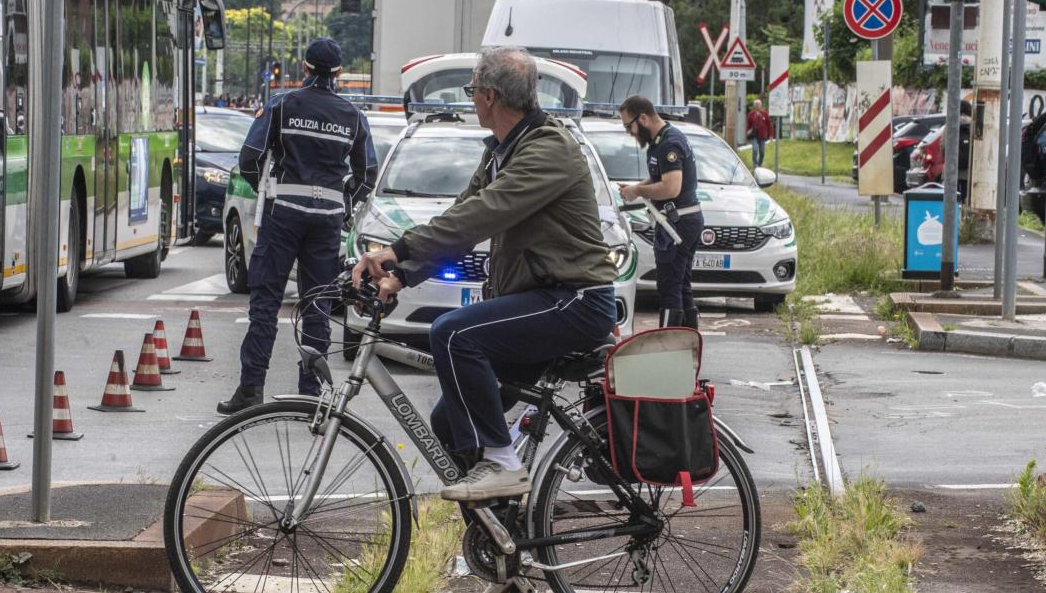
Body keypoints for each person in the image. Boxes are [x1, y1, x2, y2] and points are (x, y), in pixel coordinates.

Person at [352, 46, 618, 505]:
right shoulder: (503, 150)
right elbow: (460, 217)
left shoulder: (548, 149)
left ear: (490, 95)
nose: (471, 97)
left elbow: (483, 214)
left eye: (472, 90)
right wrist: (403, 275)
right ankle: (502, 538)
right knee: (447, 424)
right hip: (545, 300)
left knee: (454, 335)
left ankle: (502, 464)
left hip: (575, 300)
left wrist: (396, 251)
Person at [217, 37, 375, 413]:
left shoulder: (283, 104)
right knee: (317, 305)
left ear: (304, 68)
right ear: (338, 73)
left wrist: (265, 189)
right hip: (327, 220)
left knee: (266, 302)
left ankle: (251, 389)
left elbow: (250, 156)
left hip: (283, 212)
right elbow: (366, 172)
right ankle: (311, 394)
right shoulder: (352, 116)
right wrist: (345, 201)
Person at [617, 95, 704, 329]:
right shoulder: (661, 141)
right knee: (682, 284)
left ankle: (669, 343)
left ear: (643, 118)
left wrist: (639, 191)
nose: (629, 132)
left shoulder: (669, 144)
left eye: (629, 126)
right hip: (683, 221)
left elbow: (671, 187)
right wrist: (635, 188)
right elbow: (659, 178)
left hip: (678, 223)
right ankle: (688, 342)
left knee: (669, 287)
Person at [746, 99, 774, 168]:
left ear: (761, 105)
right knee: (755, 149)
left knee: (762, 152)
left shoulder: (765, 113)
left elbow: (769, 125)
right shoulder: (751, 114)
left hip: (762, 136)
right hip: (754, 136)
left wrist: (771, 135)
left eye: (758, 104)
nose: (757, 106)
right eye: (756, 104)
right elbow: (747, 125)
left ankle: (759, 164)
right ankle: (755, 165)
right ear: (754, 105)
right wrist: (747, 133)